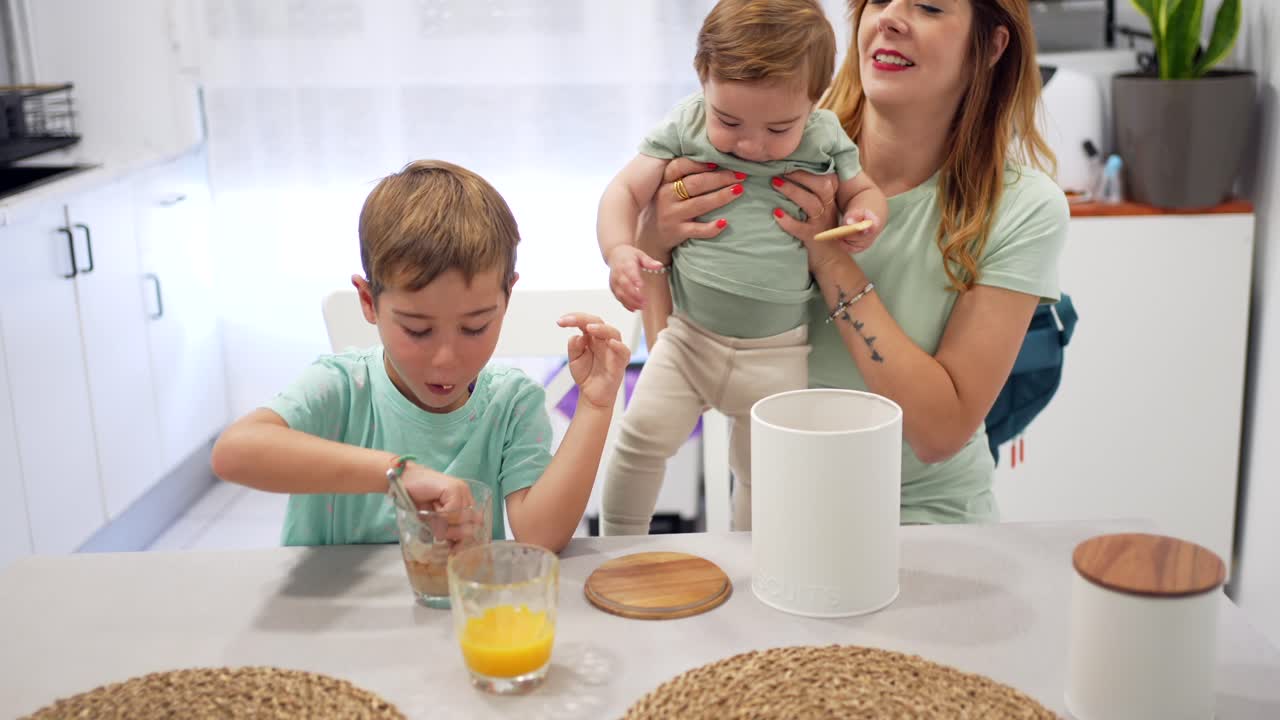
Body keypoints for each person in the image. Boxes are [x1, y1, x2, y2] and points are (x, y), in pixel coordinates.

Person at [637, 0, 1068, 525]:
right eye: (878, 1)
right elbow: (681, 356)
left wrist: (829, 257)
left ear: (992, 45)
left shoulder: (1023, 208)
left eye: (929, 6)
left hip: (923, 523)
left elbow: (940, 433)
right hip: (774, 512)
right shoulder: (764, 136)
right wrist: (654, 241)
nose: (889, 18)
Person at [210, 159, 631, 552]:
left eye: (475, 327)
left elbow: (540, 539)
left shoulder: (511, 403)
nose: (446, 359)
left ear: (506, 298)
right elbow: (235, 452)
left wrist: (595, 406)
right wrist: (397, 474)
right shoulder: (344, 387)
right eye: (417, 329)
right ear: (369, 301)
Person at [596, 0, 889, 536]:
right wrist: (619, 250)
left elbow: (863, 190)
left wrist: (867, 216)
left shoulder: (824, 135)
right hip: (687, 341)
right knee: (639, 440)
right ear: (703, 79)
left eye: (780, 127)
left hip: (777, 351)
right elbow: (623, 190)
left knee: (765, 474)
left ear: (815, 99)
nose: (752, 145)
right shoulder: (686, 122)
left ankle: (753, 562)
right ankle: (618, 549)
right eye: (728, 120)